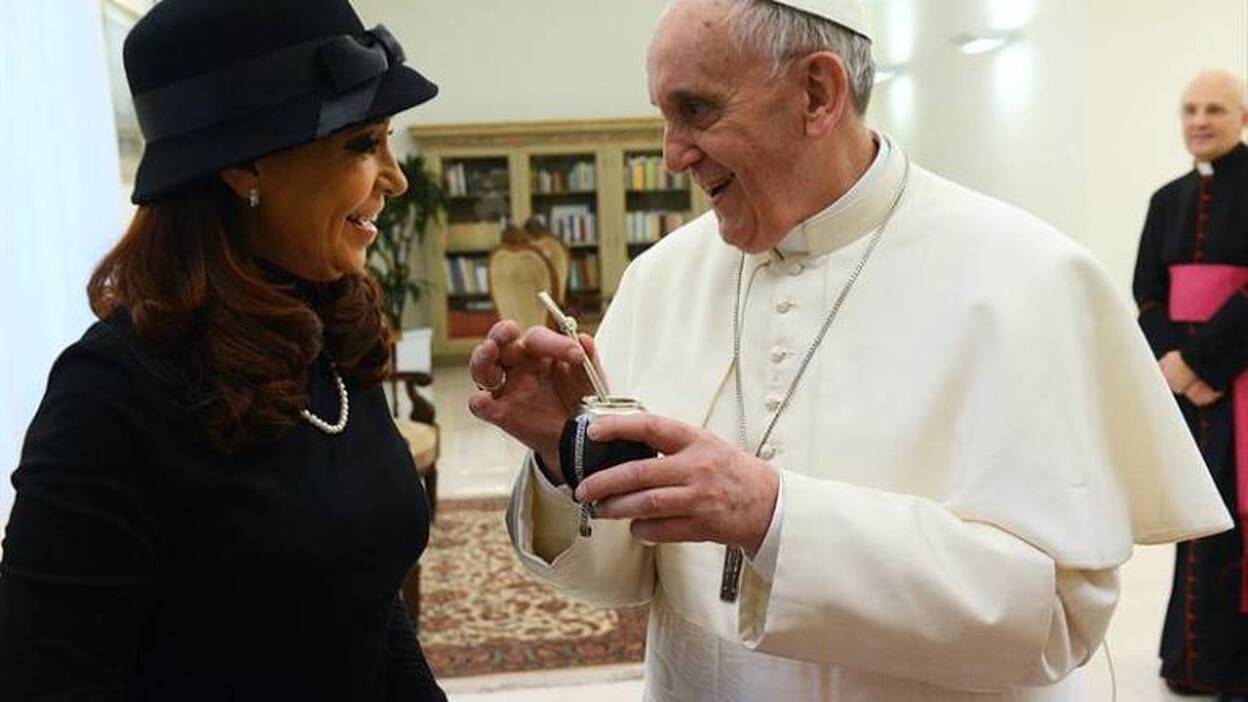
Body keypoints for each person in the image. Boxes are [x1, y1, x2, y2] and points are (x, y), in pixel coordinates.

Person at [468, 1, 1233, 699]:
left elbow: (1053, 623)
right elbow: (625, 579)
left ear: (817, 94)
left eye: (695, 110)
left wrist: (774, 517)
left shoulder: (1029, 279)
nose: (671, 154)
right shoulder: (664, 276)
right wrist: (566, 460)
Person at [0, 1, 446, 699]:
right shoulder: (109, 398)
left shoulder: (325, 329)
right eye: (363, 144)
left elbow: (362, 598)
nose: (396, 178)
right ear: (245, 170)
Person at [1132, 69, 1248, 699]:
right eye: (1189, 109)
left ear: (1242, 118)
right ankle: (1195, 660)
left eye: (1214, 109)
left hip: (1241, 378)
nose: (1200, 120)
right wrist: (1175, 364)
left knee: (1240, 518)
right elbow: (1146, 294)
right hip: (1191, 387)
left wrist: (1203, 361)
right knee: (1196, 518)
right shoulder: (1166, 199)